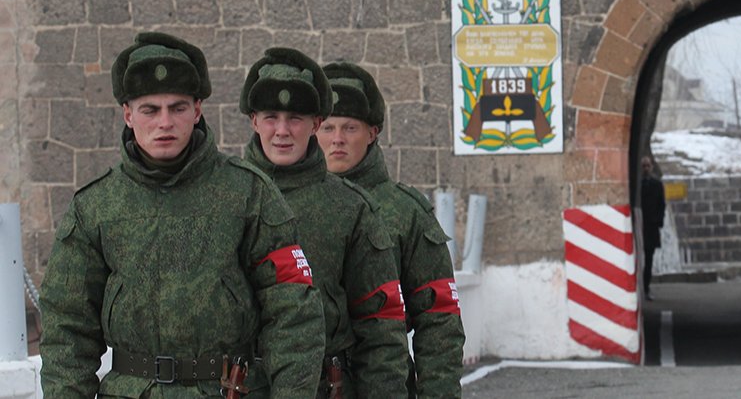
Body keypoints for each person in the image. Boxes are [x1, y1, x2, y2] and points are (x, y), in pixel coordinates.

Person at [39, 31, 325, 398]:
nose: (165, 122)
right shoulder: (96, 205)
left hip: (226, 389)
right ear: (128, 114)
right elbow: (67, 327)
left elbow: (293, 315)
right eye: (150, 110)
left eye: (177, 108)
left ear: (197, 111)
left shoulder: (249, 193)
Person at [241, 48, 411, 398]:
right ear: (254, 121)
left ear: (315, 124)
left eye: (295, 118)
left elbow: (381, 330)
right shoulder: (225, 198)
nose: (282, 131)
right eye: (271, 117)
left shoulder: (351, 208)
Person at [317, 62, 465, 398]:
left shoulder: (405, 212)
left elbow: (439, 319)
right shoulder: (278, 203)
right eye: (328, 127)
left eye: (350, 128)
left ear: (372, 133)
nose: (337, 140)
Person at [640, 154, 666, 300]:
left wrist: (658, 221)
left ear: (651, 167)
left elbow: (662, 205)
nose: (646, 169)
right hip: (640, 225)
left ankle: (646, 288)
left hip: (651, 226)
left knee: (649, 259)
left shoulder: (657, 184)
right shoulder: (637, 185)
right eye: (643, 166)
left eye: (647, 166)